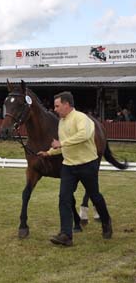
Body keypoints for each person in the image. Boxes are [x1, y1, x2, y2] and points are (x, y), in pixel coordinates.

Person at [38, 91, 113, 247]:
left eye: (57, 106)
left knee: (95, 196)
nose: (55, 109)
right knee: (64, 199)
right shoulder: (62, 122)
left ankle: (106, 221)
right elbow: (63, 144)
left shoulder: (81, 118)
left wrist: (61, 144)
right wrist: (49, 152)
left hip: (87, 164)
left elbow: (84, 135)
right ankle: (66, 235)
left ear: (66, 104)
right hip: (69, 166)